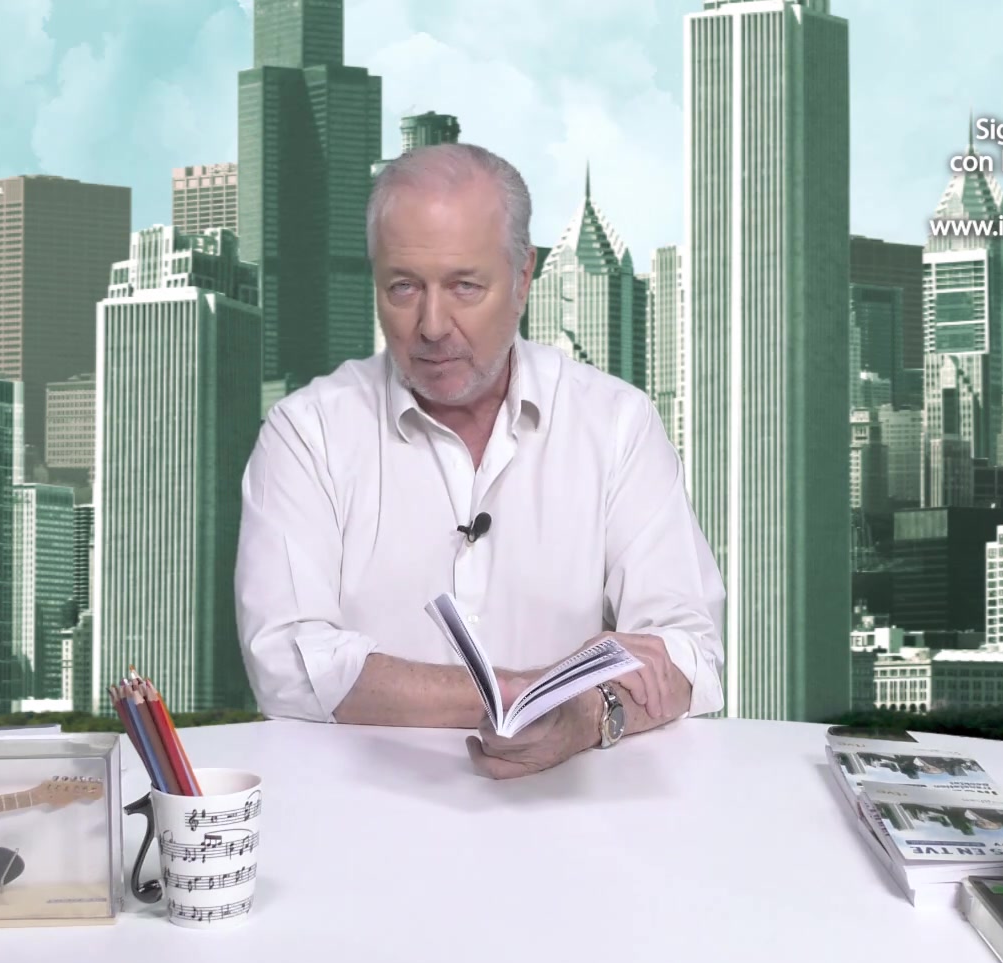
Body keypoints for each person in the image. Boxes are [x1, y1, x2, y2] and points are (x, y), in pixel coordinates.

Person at [233, 143, 726, 779]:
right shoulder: (308, 433)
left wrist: (584, 716)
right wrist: (527, 691)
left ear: (523, 278)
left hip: (575, 815)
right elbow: (286, 662)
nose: (432, 325)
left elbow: (689, 655)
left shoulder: (616, 424)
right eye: (404, 287)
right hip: (362, 813)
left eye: (465, 286)